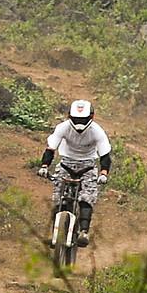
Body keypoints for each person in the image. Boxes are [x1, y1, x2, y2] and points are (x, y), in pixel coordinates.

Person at [39, 98, 112, 246]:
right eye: (76, 119)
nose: (80, 124)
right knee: (58, 198)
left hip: (88, 166)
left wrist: (103, 173)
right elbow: (50, 149)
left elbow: (105, 156)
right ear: (69, 116)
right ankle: (56, 232)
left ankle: (84, 232)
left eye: (83, 119)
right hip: (66, 163)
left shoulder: (97, 132)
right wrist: (44, 166)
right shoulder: (62, 128)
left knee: (87, 197)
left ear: (92, 117)